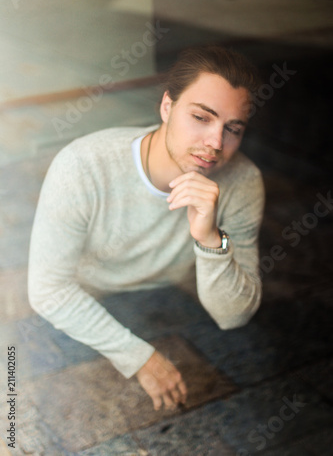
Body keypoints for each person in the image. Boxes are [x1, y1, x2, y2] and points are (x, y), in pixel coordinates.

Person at [28, 46, 265, 411]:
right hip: (87, 300)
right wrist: (139, 358)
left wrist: (209, 239)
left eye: (233, 129)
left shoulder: (243, 181)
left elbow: (233, 315)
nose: (216, 144)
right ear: (167, 107)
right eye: (202, 117)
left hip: (175, 298)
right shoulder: (83, 164)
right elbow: (47, 290)